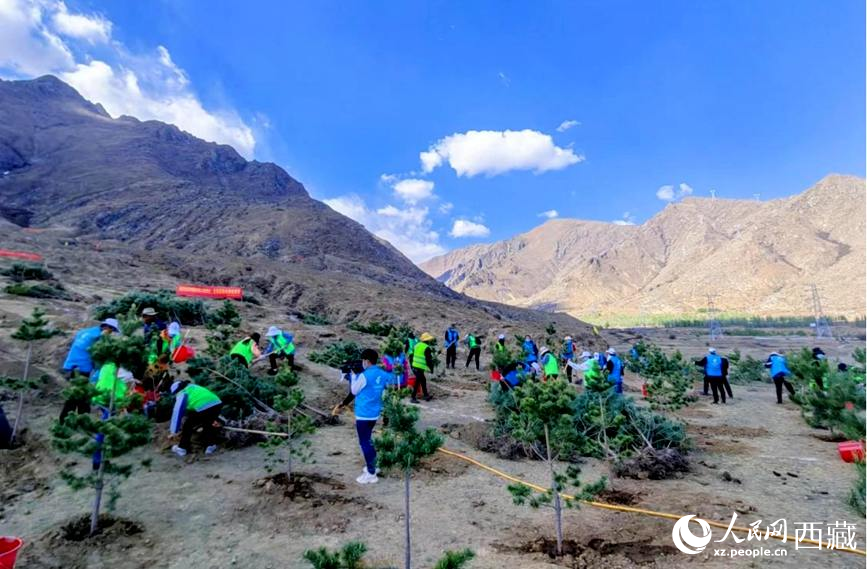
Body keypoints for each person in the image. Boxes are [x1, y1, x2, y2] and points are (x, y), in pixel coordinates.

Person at [333, 348, 393, 485]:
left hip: (363, 413)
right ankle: (374, 466)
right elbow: (386, 390)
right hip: (374, 413)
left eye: (363, 360)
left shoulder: (364, 375)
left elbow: (354, 391)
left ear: (366, 361)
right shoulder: (383, 373)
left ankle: (371, 473)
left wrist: (354, 376)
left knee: (364, 442)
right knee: (368, 440)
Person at [60, 318, 120, 421]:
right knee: (79, 395)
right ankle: (70, 419)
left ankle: (75, 417)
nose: (111, 333)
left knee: (79, 393)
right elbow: (98, 354)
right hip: (83, 366)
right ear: (107, 328)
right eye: (112, 330)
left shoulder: (86, 331)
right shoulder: (99, 336)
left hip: (73, 364)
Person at [169, 380, 223, 456]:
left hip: (203, 406)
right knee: (207, 424)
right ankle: (210, 446)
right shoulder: (193, 387)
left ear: (175, 392)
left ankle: (182, 449)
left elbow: (177, 411)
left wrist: (173, 431)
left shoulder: (181, 393)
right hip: (217, 403)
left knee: (188, 425)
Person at [409, 332, 435, 403]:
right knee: (418, 381)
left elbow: (413, 355)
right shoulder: (427, 348)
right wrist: (431, 368)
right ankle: (413, 397)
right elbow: (428, 360)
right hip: (420, 367)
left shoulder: (417, 345)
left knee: (423, 380)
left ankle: (426, 395)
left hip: (414, 365)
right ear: (427, 340)